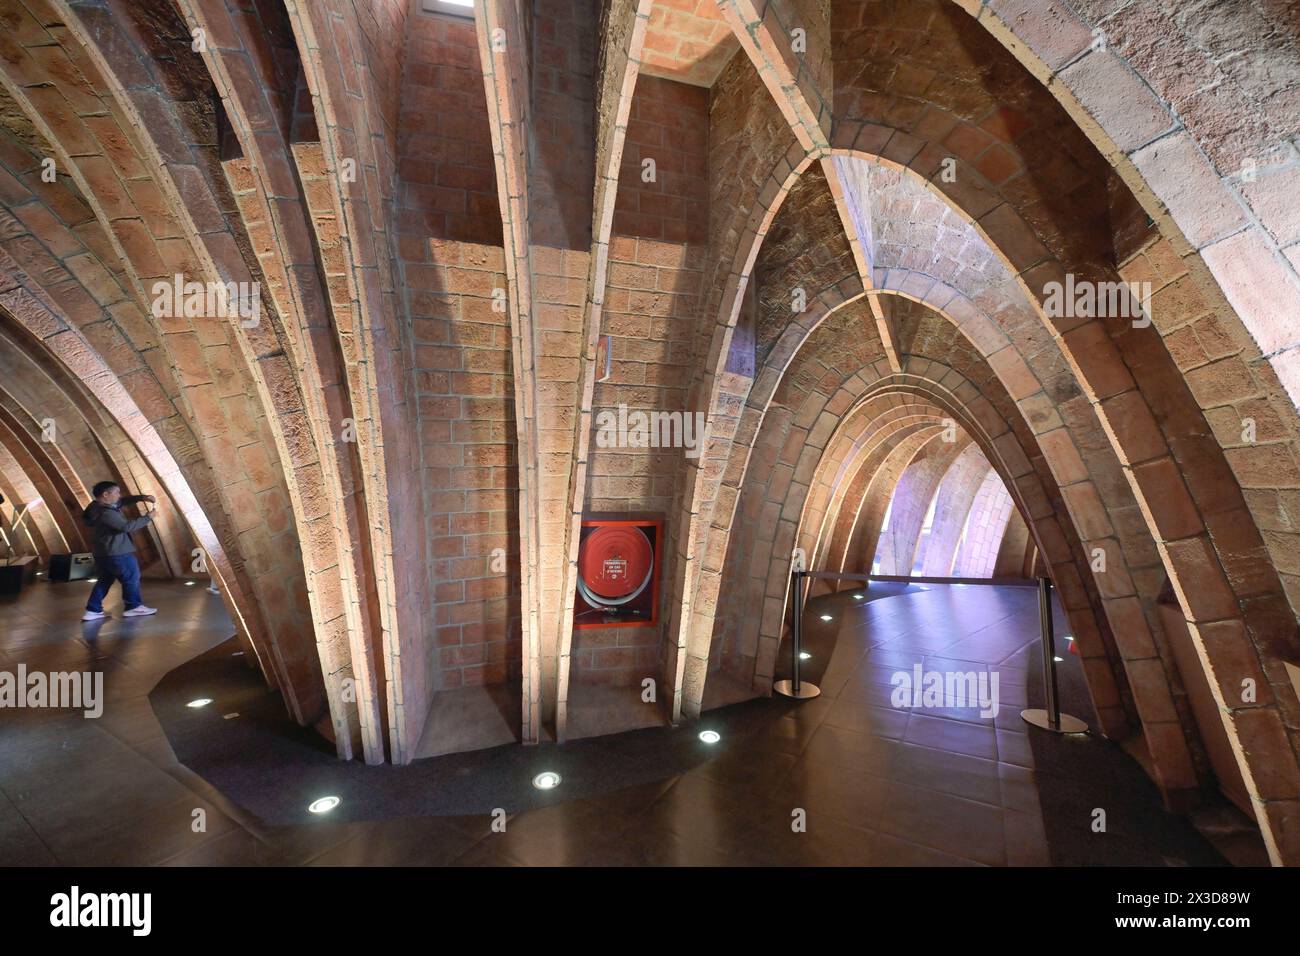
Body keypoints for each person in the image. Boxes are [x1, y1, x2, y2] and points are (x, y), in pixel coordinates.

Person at [81, 481, 158, 620]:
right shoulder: (105, 512)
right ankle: (133, 606)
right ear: (106, 494)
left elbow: (122, 501)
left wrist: (143, 497)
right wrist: (148, 518)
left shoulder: (96, 507)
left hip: (103, 553)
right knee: (131, 577)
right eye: (116, 492)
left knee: (104, 580)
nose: (119, 495)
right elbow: (126, 527)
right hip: (117, 552)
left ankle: (93, 610)